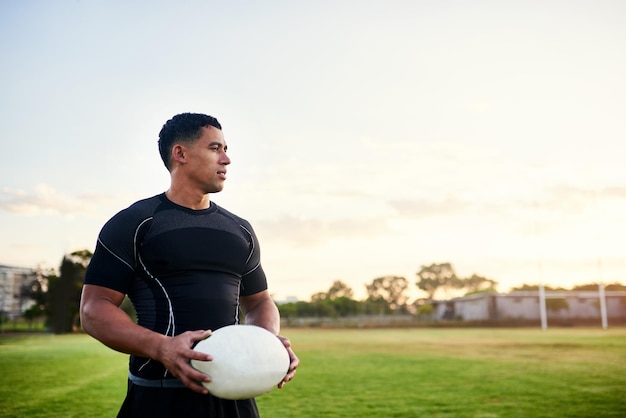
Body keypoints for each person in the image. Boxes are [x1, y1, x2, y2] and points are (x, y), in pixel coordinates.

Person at [79, 112, 299, 418]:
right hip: (158, 399)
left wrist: (265, 343)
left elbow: (260, 301)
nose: (227, 159)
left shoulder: (240, 230)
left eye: (226, 149)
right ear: (180, 153)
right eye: (215, 148)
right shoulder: (134, 223)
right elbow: (93, 309)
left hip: (236, 403)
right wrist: (162, 348)